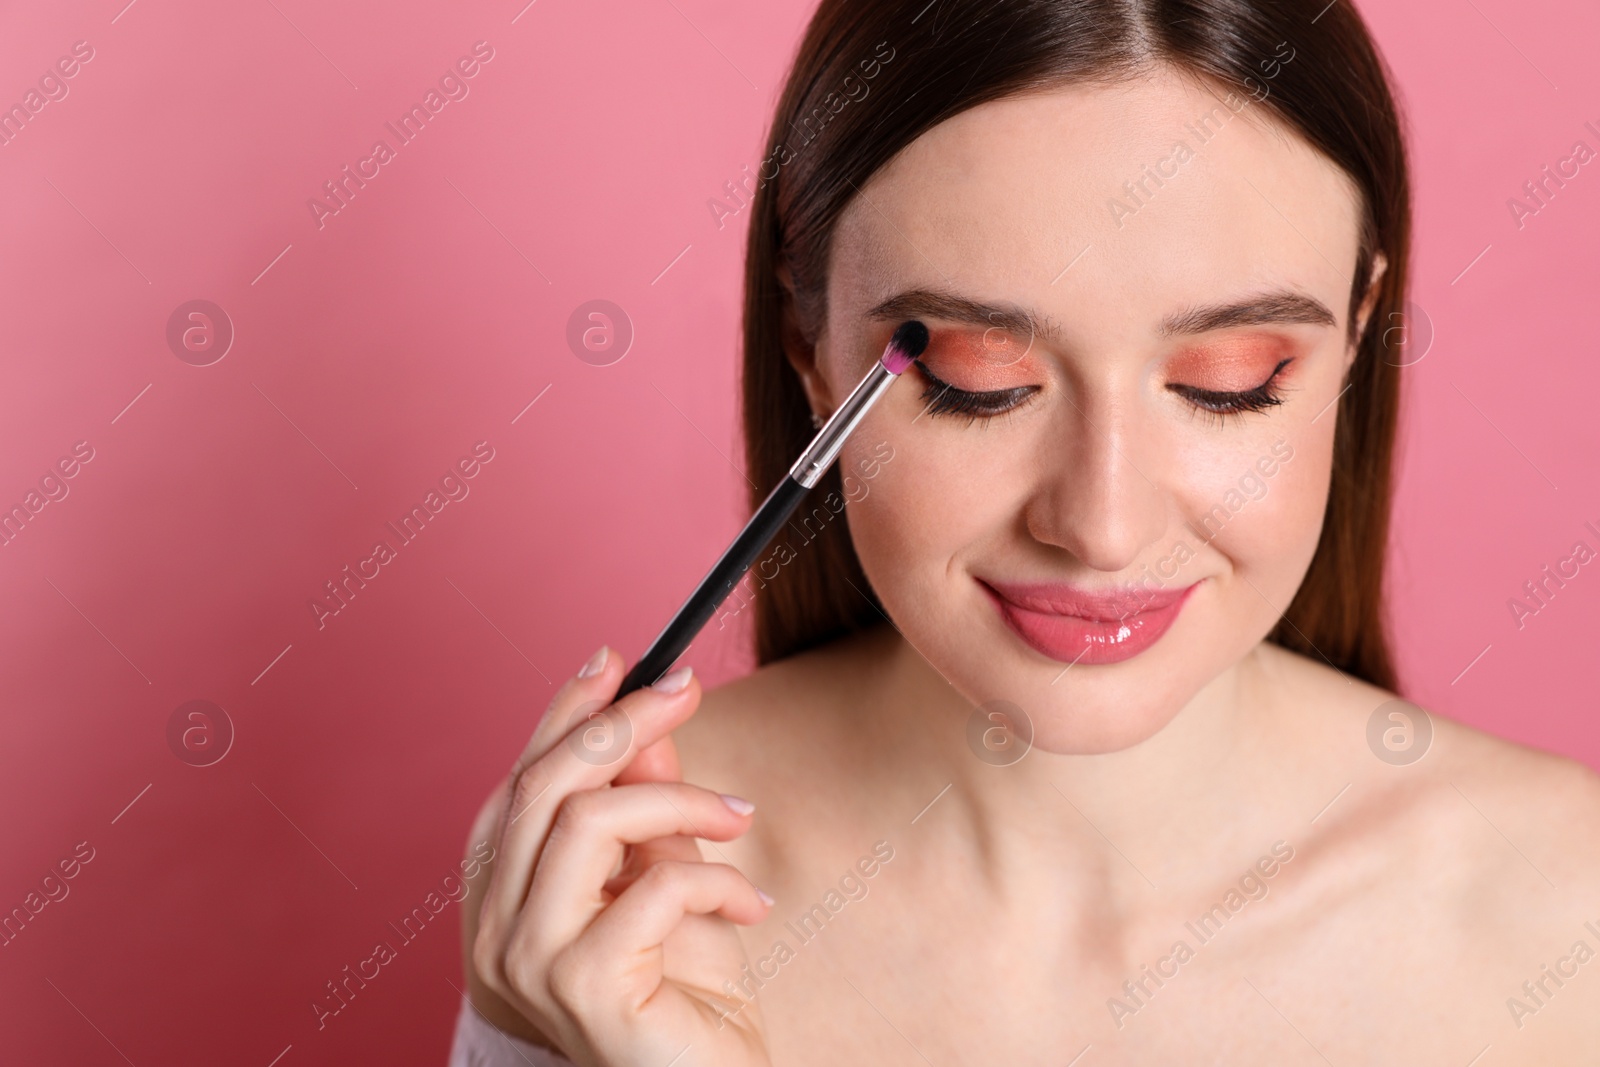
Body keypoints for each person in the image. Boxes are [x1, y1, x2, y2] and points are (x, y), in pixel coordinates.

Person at [449, 0, 1600, 1062]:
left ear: (1358, 330)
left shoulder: (1567, 913)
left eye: (1230, 379)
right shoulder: (613, 906)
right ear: (810, 342)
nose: (1100, 527)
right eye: (976, 379)